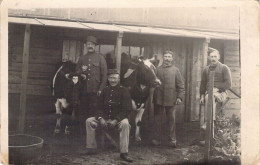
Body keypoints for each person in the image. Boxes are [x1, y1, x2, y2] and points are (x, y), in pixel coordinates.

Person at [85, 69, 133, 162]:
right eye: (111, 78)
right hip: (104, 119)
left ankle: (124, 153)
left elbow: (127, 109)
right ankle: (91, 148)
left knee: (125, 124)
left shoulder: (124, 91)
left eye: (115, 78)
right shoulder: (104, 90)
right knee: (89, 121)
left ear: (118, 79)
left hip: (118, 120)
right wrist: (100, 118)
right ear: (108, 79)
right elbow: (98, 107)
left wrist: (116, 120)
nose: (113, 80)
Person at [152, 50, 185, 148]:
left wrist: (179, 97)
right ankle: (157, 139)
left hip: (171, 99)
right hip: (158, 98)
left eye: (169, 57)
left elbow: (181, 86)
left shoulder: (175, 70)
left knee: (171, 120)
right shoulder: (157, 69)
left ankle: (172, 140)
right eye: (165, 56)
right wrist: (155, 83)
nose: (167, 58)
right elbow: (152, 82)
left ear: (172, 58)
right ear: (163, 58)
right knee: (157, 120)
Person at [76, 36, 108, 134]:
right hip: (84, 90)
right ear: (86, 45)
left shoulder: (100, 58)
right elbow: (77, 71)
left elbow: (104, 75)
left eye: (92, 44)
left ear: (95, 46)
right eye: (88, 44)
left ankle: (95, 132)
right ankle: (83, 133)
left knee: (95, 111)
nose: (90, 46)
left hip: (96, 91)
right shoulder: (82, 58)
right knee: (83, 111)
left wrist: (101, 89)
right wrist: (82, 72)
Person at [199, 47, 232, 141]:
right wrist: (201, 95)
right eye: (211, 56)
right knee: (209, 96)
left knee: (211, 96)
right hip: (209, 93)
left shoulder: (224, 68)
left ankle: (207, 121)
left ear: (219, 57)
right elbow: (203, 83)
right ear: (209, 58)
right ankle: (208, 135)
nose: (213, 58)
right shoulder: (206, 69)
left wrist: (217, 89)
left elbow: (228, 84)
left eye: (215, 56)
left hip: (221, 93)